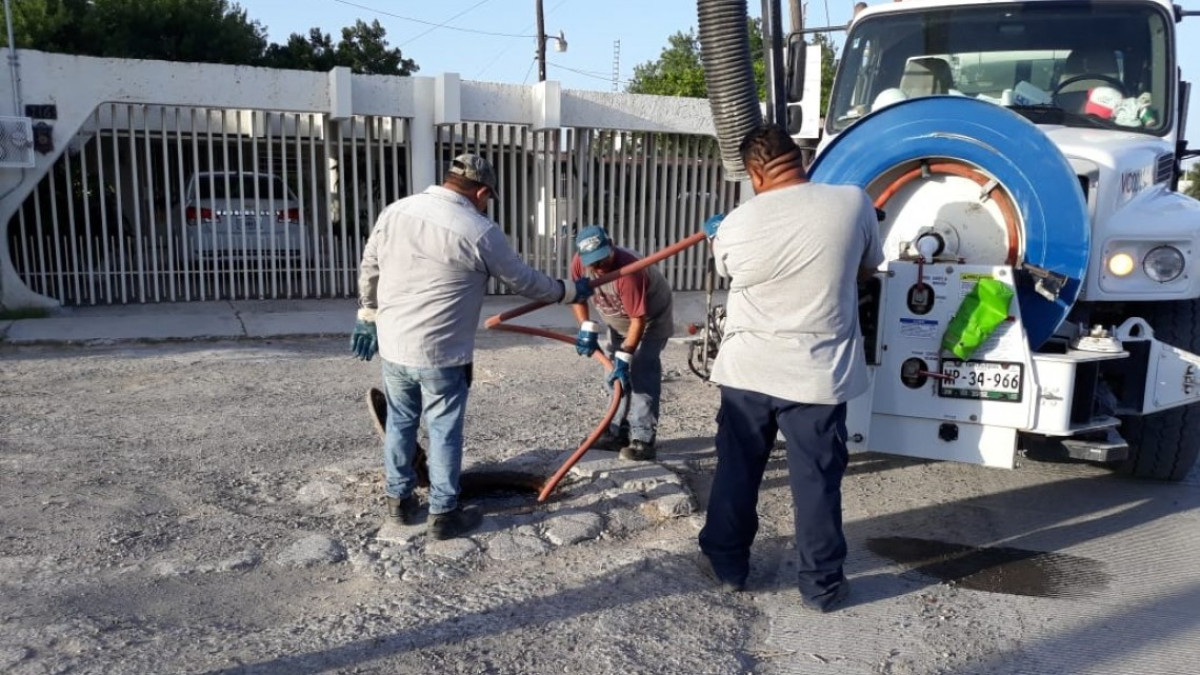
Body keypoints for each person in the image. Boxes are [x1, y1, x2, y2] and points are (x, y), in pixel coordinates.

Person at [351, 153, 594, 540]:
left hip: (394, 345)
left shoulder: (396, 211)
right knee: (444, 429)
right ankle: (444, 514)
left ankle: (399, 503)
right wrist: (568, 291)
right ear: (481, 192)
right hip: (442, 353)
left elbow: (370, 265)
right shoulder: (480, 230)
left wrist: (368, 312)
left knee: (400, 421)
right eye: (488, 197)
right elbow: (525, 281)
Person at [696, 125, 882, 612]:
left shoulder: (735, 224)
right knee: (817, 483)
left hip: (747, 374)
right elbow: (868, 266)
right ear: (797, 158)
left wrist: (722, 237)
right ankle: (820, 588)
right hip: (815, 376)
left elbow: (730, 273)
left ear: (754, 172)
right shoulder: (852, 202)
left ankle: (728, 565)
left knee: (737, 473)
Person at [570, 224, 675, 461]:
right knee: (614, 377)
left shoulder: (628, 272)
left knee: (641, 371)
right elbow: (577, 297)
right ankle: (616, 432)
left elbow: (638, 321)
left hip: (650, 322)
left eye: (602, 260)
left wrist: (625, 355)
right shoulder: (580, 263)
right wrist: (585, 328)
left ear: (612, 246)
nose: (597, 268)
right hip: (618, 323)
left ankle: (643, 439)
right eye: (592, 263)